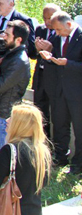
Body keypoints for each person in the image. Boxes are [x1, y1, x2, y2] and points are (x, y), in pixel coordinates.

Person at [0, 0, 35, 146]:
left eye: (0, 4)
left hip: (6, 97)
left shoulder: (18, 58)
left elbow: (30, 49)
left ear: (11, 4)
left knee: (3, 143)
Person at [39, 11, 82, 174]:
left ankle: (78, 164)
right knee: (60, 124)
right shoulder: (57, 38)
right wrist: (48, 56)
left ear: (69, 24)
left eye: (58, 29)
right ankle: (60, 156)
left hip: (77, 91)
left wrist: (68, 63)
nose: (56, 33)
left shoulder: (80, 37)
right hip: (60, 89)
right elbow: (55, 61)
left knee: (79, 128)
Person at [0, 20, 31, 150]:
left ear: (18, 39)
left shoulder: (19, 61)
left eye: (7, 35)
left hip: (5, 115)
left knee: (3, 153)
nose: (4, 37)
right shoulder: (10, 54)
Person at [29, 4, 60, 138]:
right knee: (39, 111)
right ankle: (42, 141)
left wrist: (51, 50)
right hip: (40, 76)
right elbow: (32, 54)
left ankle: (57, 146)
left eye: (50, 18)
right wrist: (37, 49)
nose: (47, 22)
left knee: (57, 113)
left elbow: (65, 56)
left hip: (55, 78)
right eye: (44, 18)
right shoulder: (40, 30)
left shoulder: (62, 31)